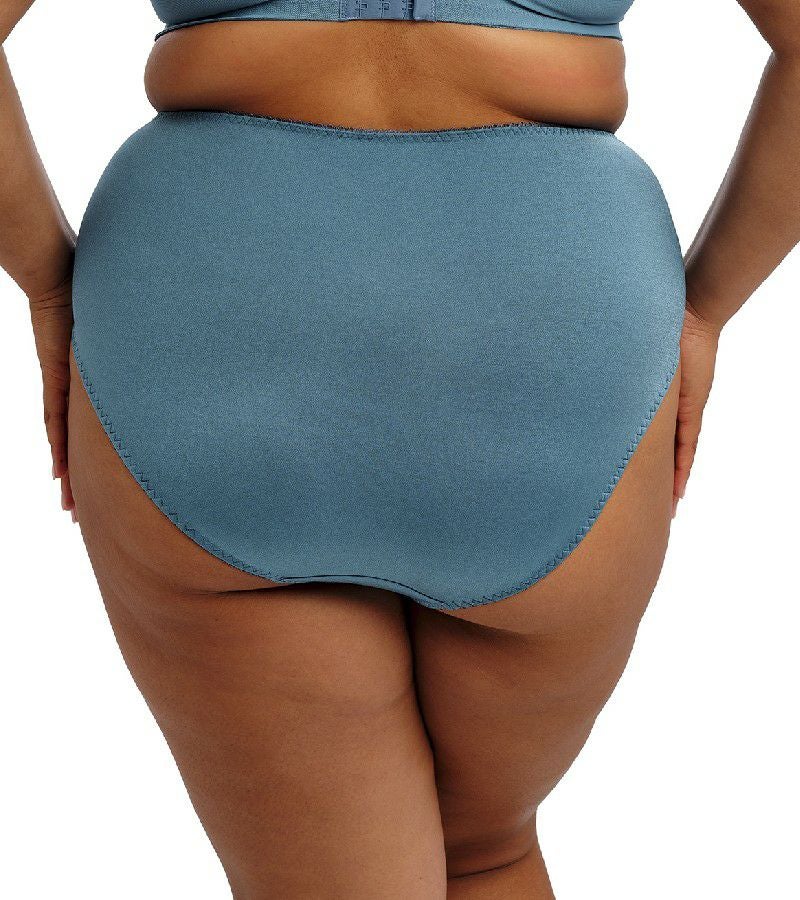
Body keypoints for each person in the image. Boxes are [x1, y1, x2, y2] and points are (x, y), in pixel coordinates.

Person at [2, 0, 798, 896]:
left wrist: (47, 285)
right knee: (486, 854)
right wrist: (704, 310)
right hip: (552, 340)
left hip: (207, 328)